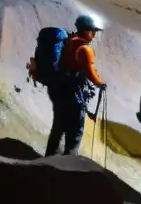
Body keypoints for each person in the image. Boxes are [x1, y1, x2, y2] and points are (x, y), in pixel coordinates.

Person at [45, 14, 107, 157]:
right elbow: (89, 71)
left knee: (59, 126)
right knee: (76, 129)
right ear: (85, 30)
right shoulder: (85, 49)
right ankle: (69, 162)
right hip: (73, 93)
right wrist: (100, 83)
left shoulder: (69, 41)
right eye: (92, 31)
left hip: (59, 89)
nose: (94, 34)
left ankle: (49, 157)